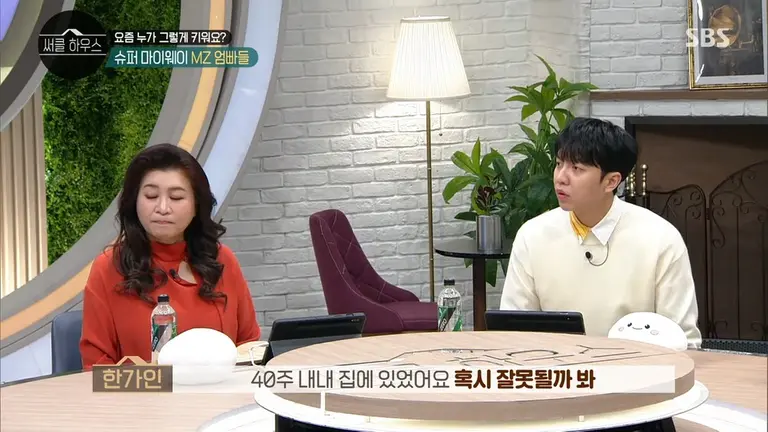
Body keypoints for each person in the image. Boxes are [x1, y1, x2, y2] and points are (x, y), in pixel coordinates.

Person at [499, 118, 702, 348]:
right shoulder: (532, 235)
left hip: (638, 368)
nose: (560, 178)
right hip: (556, 367)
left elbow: (684, 341)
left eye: (576, 168)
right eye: (559, 164)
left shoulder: (661, 239)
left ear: (611, 181)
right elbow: (512, 331)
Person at [80, 144, 261, 369]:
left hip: (219, 389)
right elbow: (96, 369)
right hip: (142, 391)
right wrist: (162, 383)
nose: (163, 208)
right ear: (134, 202)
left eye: (176, 197)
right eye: (151, 195)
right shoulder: (108, 267)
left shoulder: (222, 260)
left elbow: (249, 348)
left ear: (196, 205)